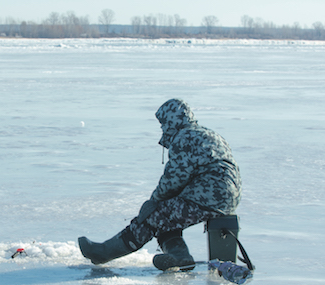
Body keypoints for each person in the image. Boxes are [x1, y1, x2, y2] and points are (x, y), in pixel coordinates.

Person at [78, 98, 242, 271]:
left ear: (172, 121)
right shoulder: (207, 133)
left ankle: (103, 252)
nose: (163, 128)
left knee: (153, 216)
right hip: (227, 199)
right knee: (166, 216)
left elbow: (173, 180)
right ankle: (180, 257)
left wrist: (153, 201)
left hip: (206, 198)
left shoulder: (184, 137)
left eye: (163, 123)